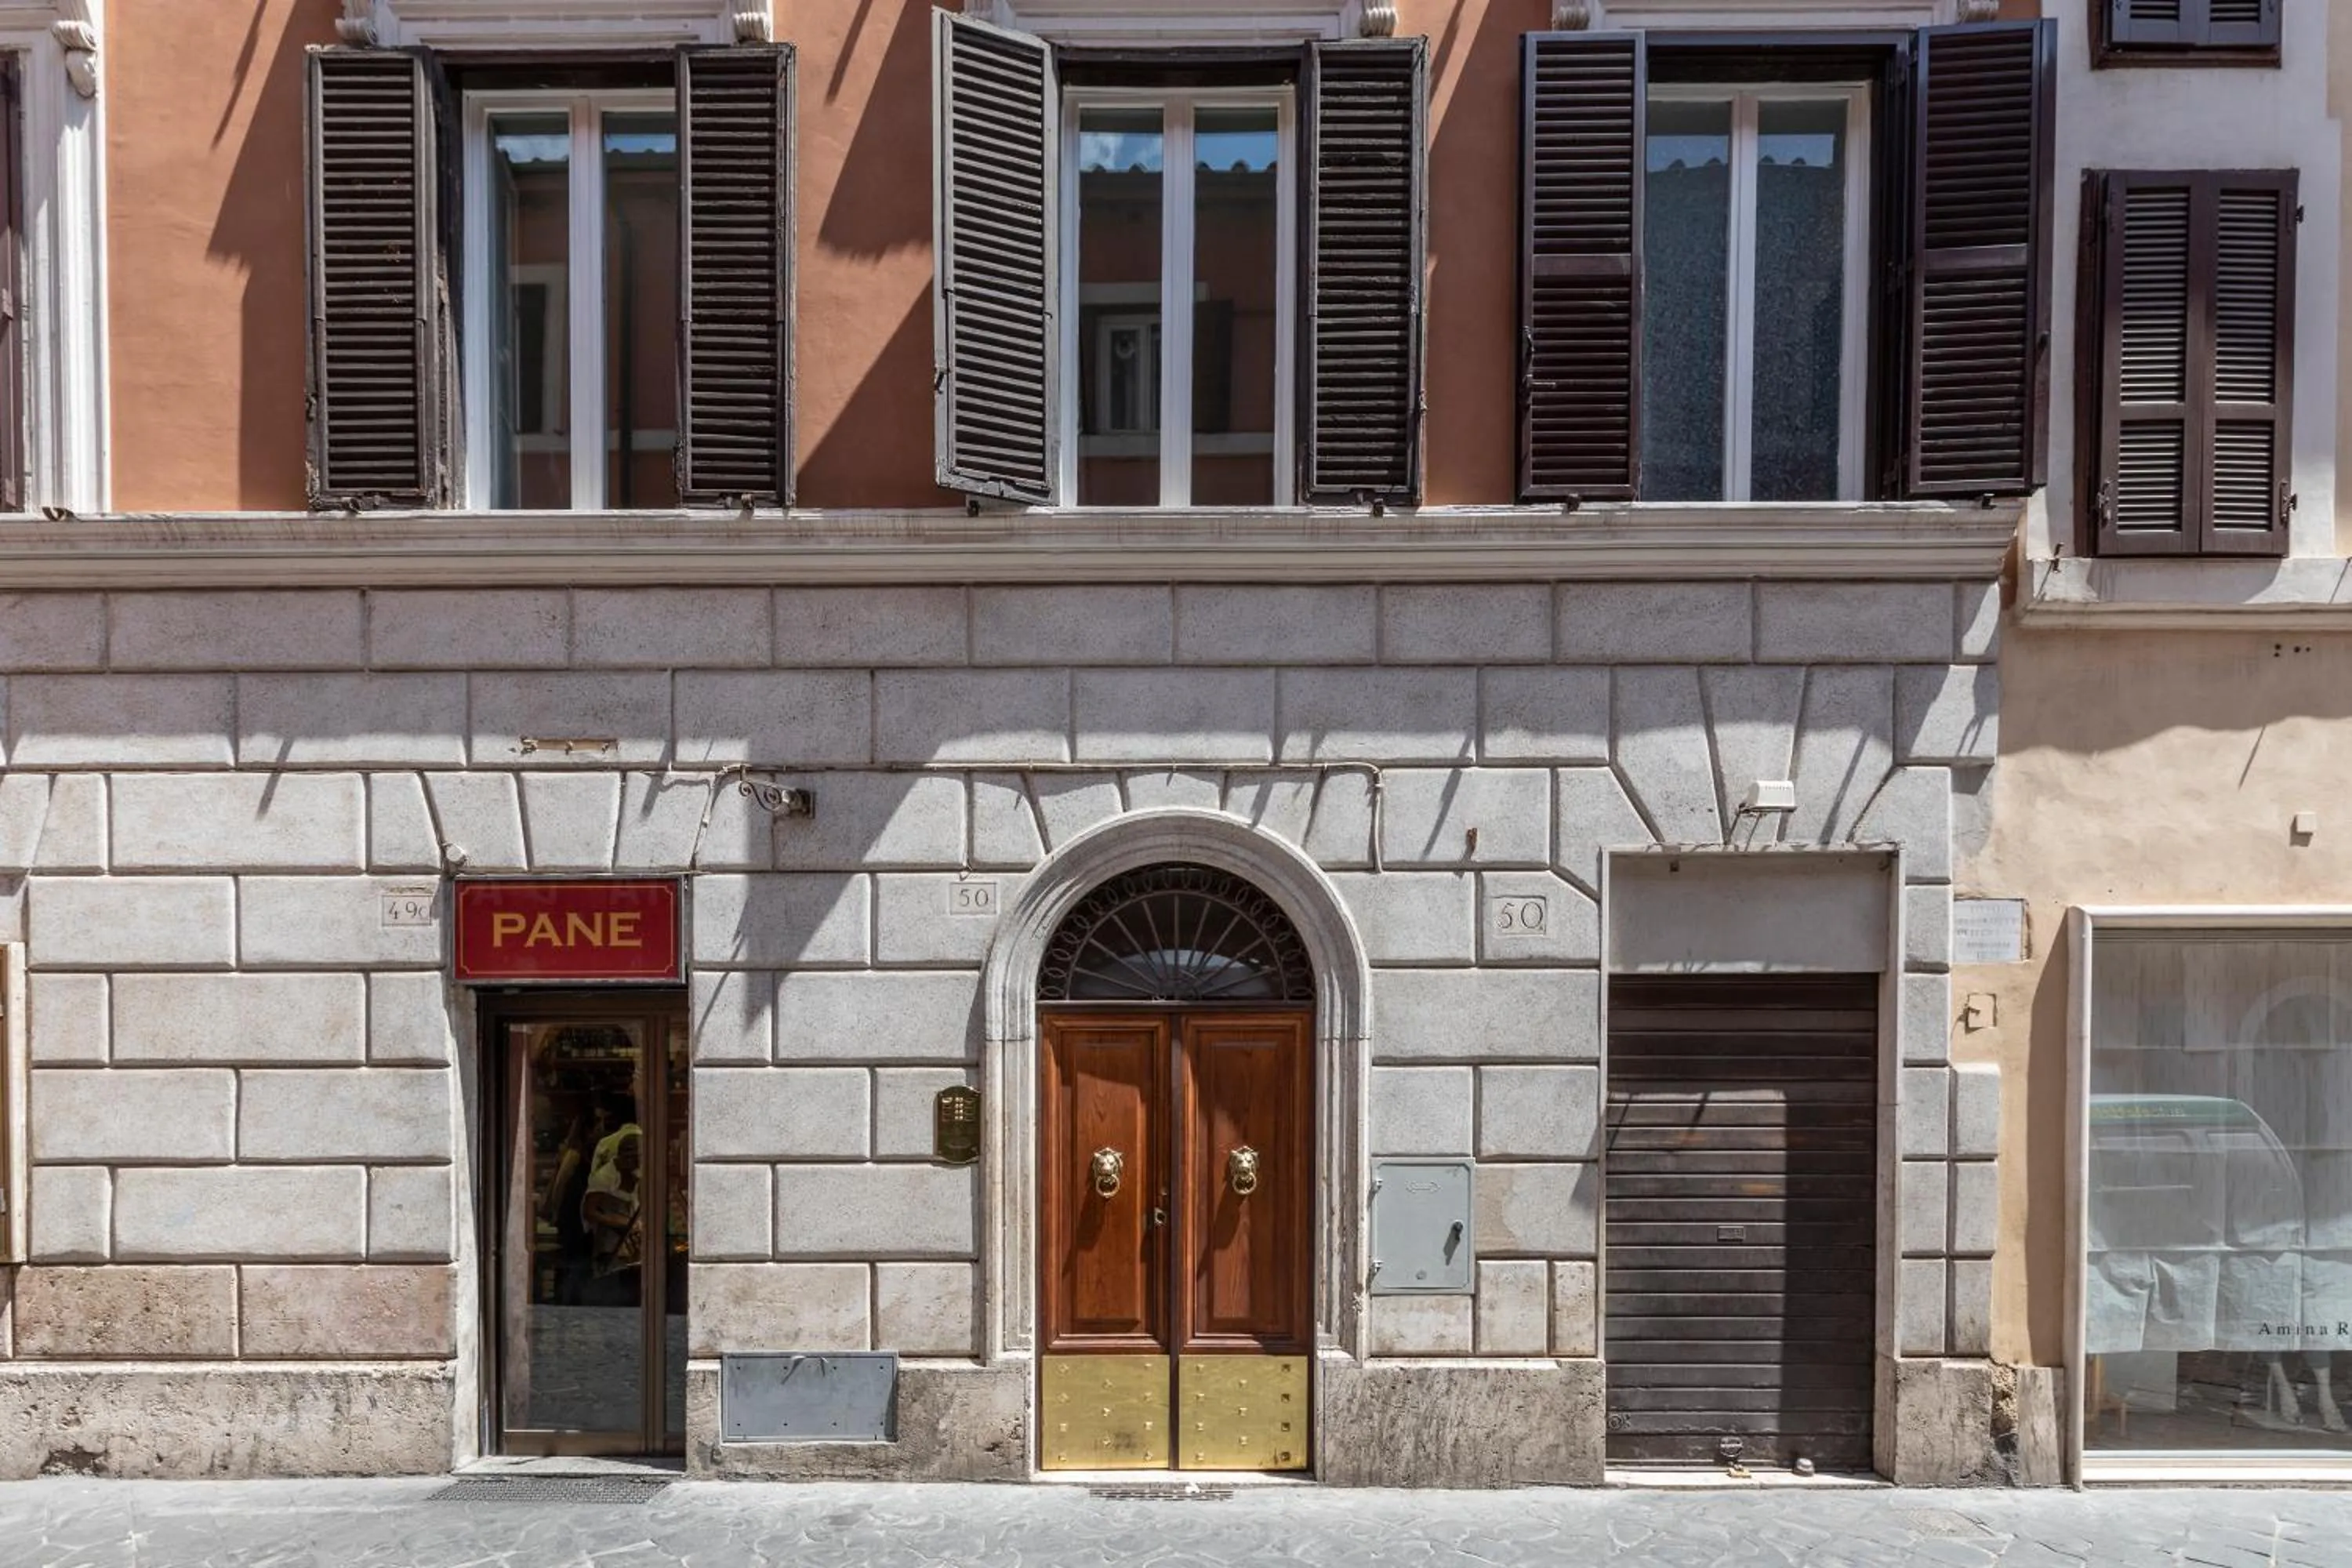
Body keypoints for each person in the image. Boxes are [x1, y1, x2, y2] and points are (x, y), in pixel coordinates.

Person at [581, 1123, 645, 1307]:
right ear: (625, 1156)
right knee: (612, 1289)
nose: (638, 1164)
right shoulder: (604, 1176)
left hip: (631, 1241)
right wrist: (618, 1221)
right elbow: (589, 1211)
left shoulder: (637, 1174)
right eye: (634, 1159)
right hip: (610, 1243)